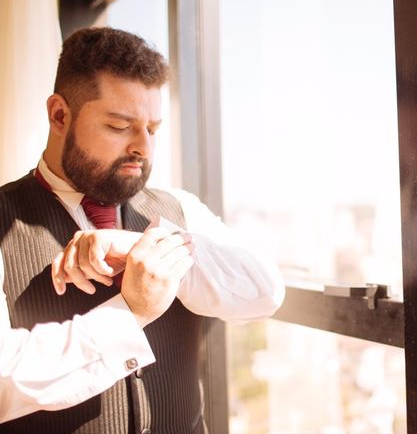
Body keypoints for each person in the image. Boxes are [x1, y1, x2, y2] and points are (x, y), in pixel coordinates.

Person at [0, 27, 284, 433]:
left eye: (152, 129)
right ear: (60, 115)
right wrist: (129, 313)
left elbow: (265, 292)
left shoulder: (178, 207)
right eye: (120, 126)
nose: (144, 149)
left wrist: (140, 247)